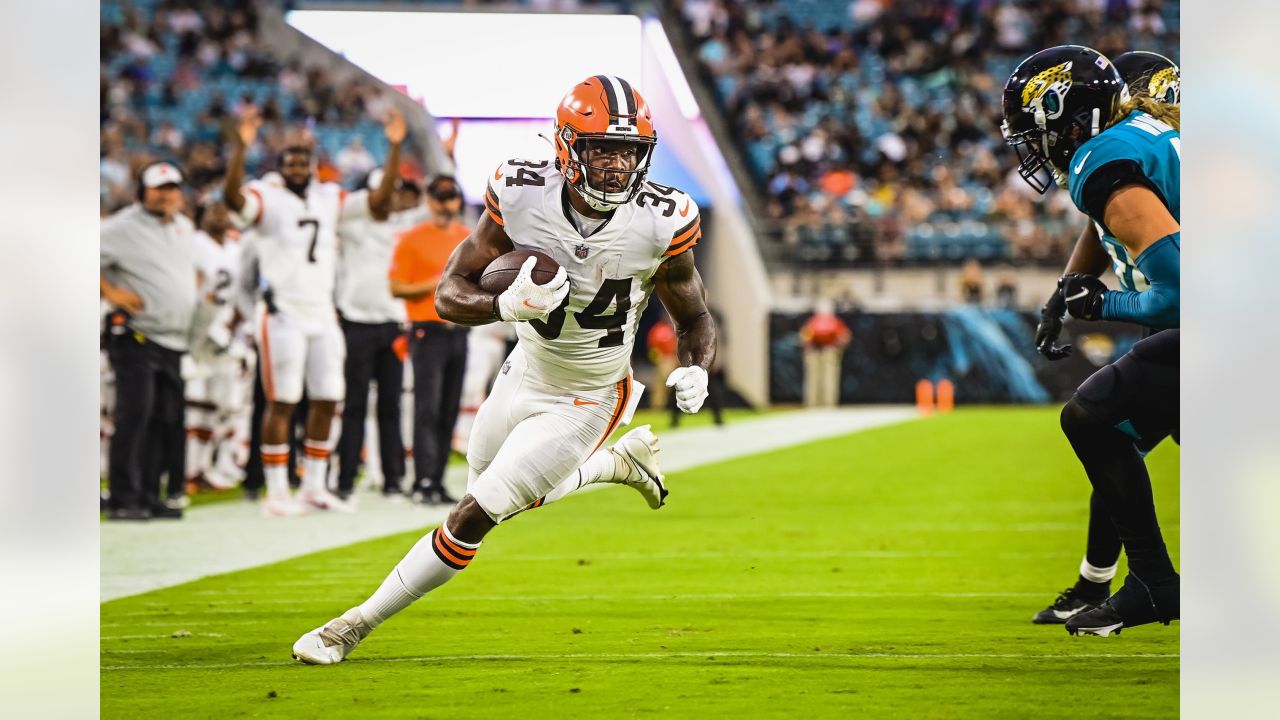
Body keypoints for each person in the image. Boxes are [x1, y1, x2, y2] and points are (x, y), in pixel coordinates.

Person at [293, 75, 717, 664]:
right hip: (524, 368)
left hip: (591, 394)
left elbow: (694, 314)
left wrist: (697, 367)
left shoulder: (662, 217)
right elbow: (448, 292)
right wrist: (501, 306)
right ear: (567, 146)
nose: (618, 167)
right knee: (489, 486)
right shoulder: (522, 191)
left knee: (476, 512)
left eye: (630, 151)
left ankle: (349, 626)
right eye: (603, 149)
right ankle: (613, 466)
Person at [1001, 45, 1180, 636]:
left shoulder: (1104, 155)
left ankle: (1152, 585)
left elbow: (1184, 293)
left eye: (1035, 132)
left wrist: (1106, 304)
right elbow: (1107, 226)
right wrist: (1067, 293)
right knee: (1115, 429)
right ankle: (1124, 581)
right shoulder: (1140, 138)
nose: (1034, 148)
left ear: (1067, 114)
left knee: (1094, 417)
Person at [223, 107, 405, 516]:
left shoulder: (329, 197)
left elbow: (378, 203)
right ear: (279, 166)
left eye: (303, 161)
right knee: (282, 400)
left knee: (328, 398)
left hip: (323, 312)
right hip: (282, 311)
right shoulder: (265, 196)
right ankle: (275, 491)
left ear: (313, 165)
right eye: (290, 162)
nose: (297, 167)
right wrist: (239, 148)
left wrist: (394, 147)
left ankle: (314, 486)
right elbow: (233, 199)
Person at [100, 161, 200, 520]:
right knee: (135, 414)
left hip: (174, 339)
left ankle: (148, 494)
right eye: (159, 188)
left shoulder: (183, 227)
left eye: (172, 187)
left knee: (164, 420)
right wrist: (111, 291)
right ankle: (124, 497)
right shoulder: (121, 227)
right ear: (142, 192)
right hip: (137, 335)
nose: (166, 194)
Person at [333, 170, 418, 501]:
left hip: (394, 326)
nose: (387, 199)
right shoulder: (351, 226)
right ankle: (345, 479)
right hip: (356, 323)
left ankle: (393, 479)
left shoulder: (405, 227)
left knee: (390, 406)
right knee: (354, 404)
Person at [388, 175, 472, 505]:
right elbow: (396, 287)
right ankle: (422, 479)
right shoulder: (412, 238)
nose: (445, 203)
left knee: (449, 408)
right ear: (429, 200)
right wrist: (437, 283)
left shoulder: (467, 238)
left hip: (458, 330)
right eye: (439, 196)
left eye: (450, 196)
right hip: (426, 330)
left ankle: (436, 480)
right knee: (427, 408)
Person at [184, 197, 252, 494]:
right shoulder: (192, 243)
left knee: (224, 404)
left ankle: (214, 467)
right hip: (196, 331)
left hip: (227, 332)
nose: (220, 215)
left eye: (225, 210)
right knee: (195, 402)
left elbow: (244, 293)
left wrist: (233, 324)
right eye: (214, 210)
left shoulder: (237, 249)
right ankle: (188, 469)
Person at [799, 298, 850, 408]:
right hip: (818, 352)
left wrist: (837, 347)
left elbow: (844, 337)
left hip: (828, 351)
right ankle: (815, 403)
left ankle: (827, 403)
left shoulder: (832, 322)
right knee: (815, 379)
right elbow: (804, 338)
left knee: (828, 378)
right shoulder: (814, 322)